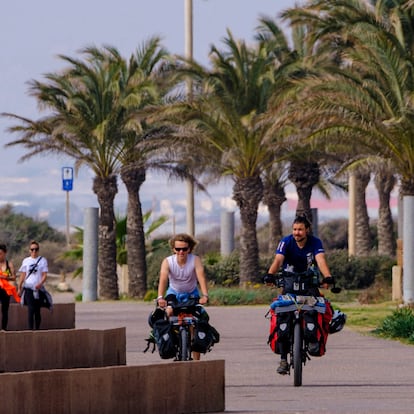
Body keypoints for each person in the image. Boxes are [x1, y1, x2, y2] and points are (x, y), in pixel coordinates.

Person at [264, 215, 334, 375]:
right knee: (283, 316)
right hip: (289, 284)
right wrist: (270, 274)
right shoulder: (286, 241)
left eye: (300, 229)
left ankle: (313, 340)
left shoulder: (315, 242)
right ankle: (283, 360)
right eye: (295, 229)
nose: (297, 233)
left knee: (315, 310)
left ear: (307, 230)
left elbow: (321, 260)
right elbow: (278, 260)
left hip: (309, 284)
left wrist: (328, 276)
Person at [156, 233, 210, 360]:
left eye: (184, 249)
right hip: (173, 293)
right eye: (178, 249)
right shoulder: (168, 261)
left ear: (189, 249)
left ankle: (197, 360)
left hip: (191, 294)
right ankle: (171, 342)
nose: (181, 252)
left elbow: (201, 277)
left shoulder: (195, 260)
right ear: (173, 249)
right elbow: (163, 279)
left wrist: (205, 295)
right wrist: (160, 297)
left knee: (195, 322)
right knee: (168, 312)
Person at [18, 240, 49, 330]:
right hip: (28, 287)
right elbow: (23, 274)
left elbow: (44, 274)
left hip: (38, 288)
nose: (34, 251)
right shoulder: (26, 261)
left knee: (37, 310)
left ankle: (37, 329)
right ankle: (30, 329)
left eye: (36, 249)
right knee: (30, 309)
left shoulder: (42, 260)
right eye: (32, 249)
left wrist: (40, 283)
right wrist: (19, 287)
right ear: (29, 250)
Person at [0, 243, 19, 330]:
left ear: (5, 253)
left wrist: (4, 277)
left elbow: (14, 277)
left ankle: (4, 329)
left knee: (5, 310)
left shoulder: (9, 264)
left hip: (6, 289)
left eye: (0, 253)